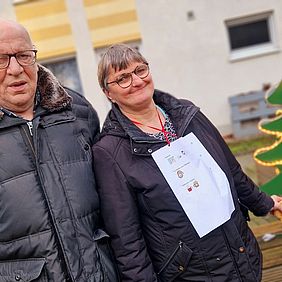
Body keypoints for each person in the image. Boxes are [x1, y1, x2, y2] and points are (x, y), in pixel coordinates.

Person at [92, 43, 282, 282]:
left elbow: (231, 171)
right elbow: (127, 240)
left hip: (240, 252)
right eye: (122, 78)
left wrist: (265, 204)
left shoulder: (187, 115)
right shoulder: (110, 152)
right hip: (191, 272)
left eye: (140, 70)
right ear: (108, 92)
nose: (137, 81)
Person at [0, 18, 119, 281]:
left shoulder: (77, 112)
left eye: (23, 55)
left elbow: (117, 201)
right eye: (2, 59)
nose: (15, 68)